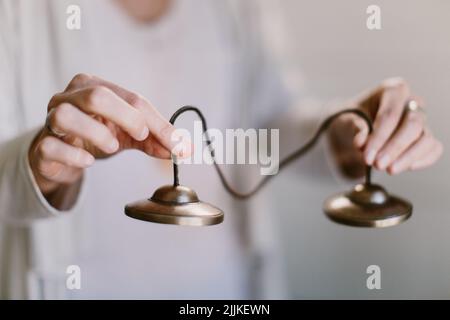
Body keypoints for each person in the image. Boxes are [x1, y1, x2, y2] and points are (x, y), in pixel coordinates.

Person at [0, 0, 442, 299]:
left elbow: (267, 127)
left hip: (225, 294)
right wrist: (43, 169)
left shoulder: (236, 7)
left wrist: (345, 137)